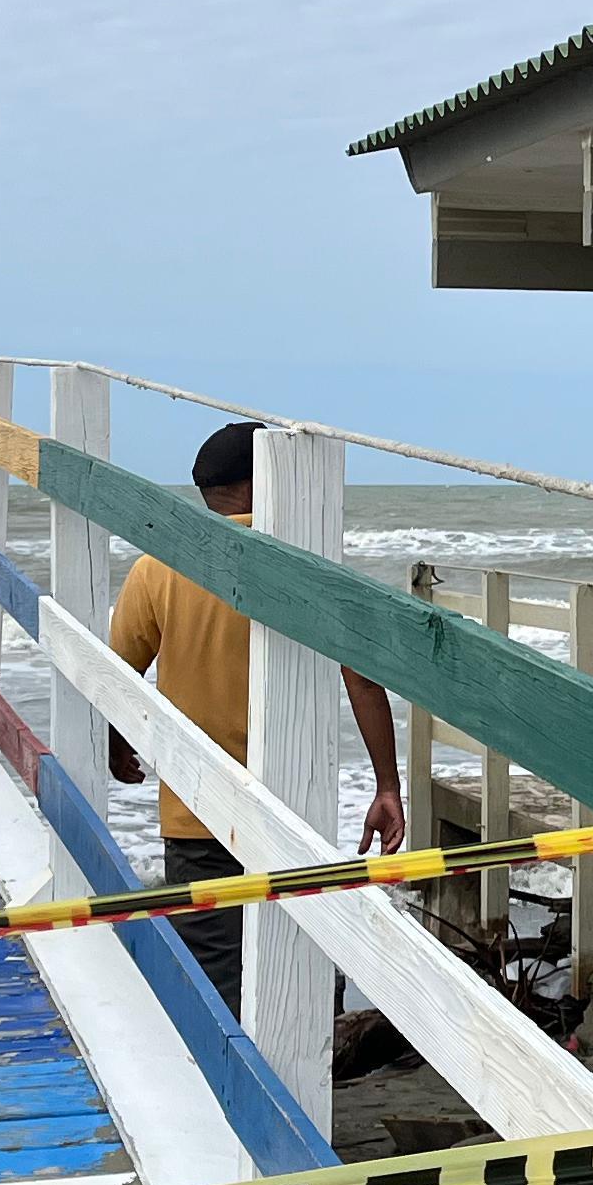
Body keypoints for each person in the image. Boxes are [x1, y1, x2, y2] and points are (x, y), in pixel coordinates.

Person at [107, 422, 405, 988]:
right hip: (295, 803)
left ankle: (215, 1078)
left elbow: (118, 670)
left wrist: (119, 742)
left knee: (214, 977)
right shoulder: (305, 565)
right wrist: (386, 786)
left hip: (196, 807)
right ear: (267, 481)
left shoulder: (157, 568)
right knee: (302, 973)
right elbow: (362, 680)